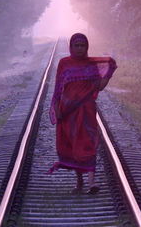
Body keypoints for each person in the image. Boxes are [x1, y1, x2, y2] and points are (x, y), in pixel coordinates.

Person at [48, 33, 117, 194]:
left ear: (87, 47)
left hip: (86, 110)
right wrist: (57, 109)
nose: (79, 49)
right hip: (68, 112)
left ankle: (91, 184)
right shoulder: (64, 64)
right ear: (71, 47)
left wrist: (108, 73)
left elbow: (99, 87)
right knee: (73, 144)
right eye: (76, 46)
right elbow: (58, 88)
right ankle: (79, 183)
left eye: (82, 46)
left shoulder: (91, 65)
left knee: (88, 142)